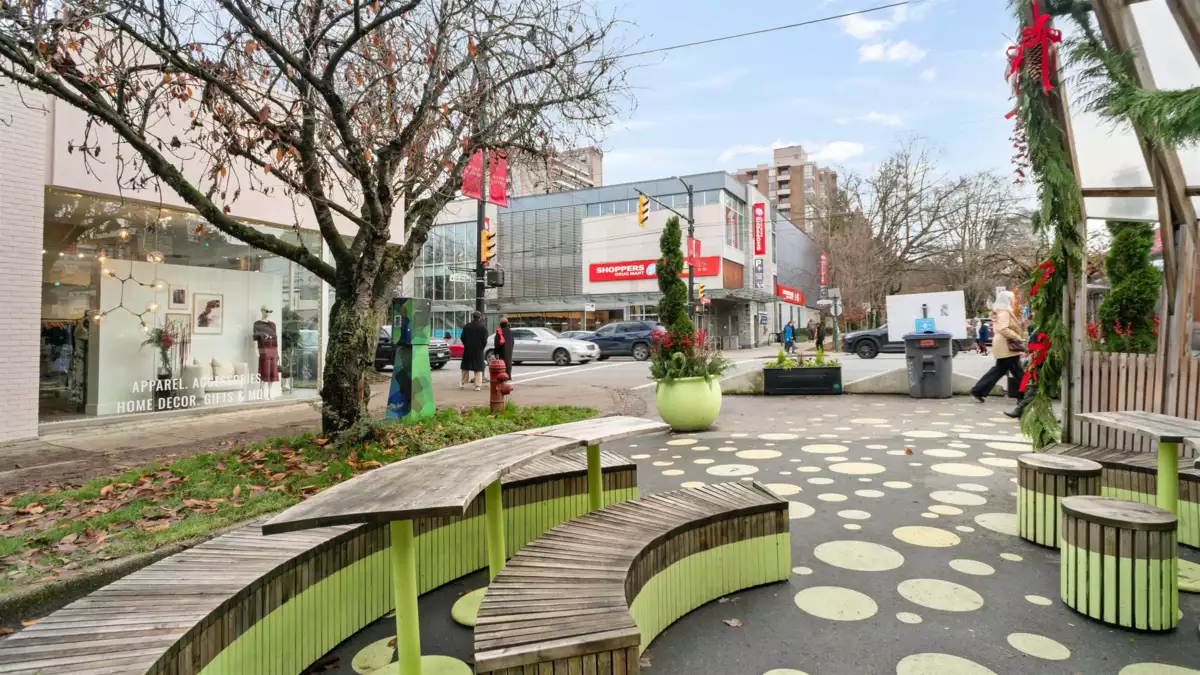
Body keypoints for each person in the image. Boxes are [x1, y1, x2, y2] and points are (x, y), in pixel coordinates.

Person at [970, 291, 1025, 403]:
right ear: (1007, 300)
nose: (1014, 300)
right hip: (1007, 345)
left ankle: (978, 390)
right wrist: (1017, 337)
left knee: (999, 370)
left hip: (1003, 345)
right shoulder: (1005, 312)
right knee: (1018, 372)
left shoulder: (1001, 312)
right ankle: (1024, 396)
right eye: (1012, 298)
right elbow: (1003, 329)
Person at [459, 311, 487, 391]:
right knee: (478, 368)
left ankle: (463, 383)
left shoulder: (467, 326)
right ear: (480, 317)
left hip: (468, 349)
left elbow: (462, 337)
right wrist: (481, 347)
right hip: (478, 350)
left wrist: (466, 344)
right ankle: (477, 386)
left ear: (472, 317)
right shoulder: (483, 327)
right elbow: (485, 340)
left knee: (465, 366)